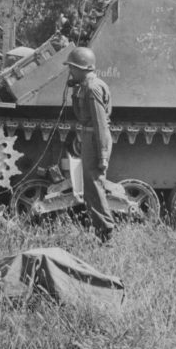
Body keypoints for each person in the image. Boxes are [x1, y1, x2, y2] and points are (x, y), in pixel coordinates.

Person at [63, 46, 115, 242]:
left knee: (94, 186)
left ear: (82, 68)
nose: (70, 71)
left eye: (72, 68)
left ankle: (106, 233)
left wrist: (102, 154)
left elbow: (100, 123)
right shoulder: (84, 86)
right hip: (89, 138)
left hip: (95, 140)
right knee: (91, 186)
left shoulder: (92, 88)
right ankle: (101, 231)